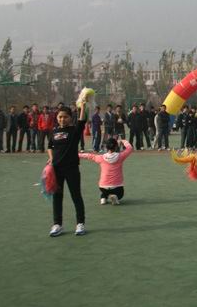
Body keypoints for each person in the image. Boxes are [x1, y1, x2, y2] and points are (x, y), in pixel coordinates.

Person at [47, 101, 87, 237]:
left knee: (76, 196)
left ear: (70, 117)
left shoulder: (74, 131)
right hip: (56, 170)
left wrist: (83, 106)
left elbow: (82, 120)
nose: (62, 119)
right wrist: (51, 158)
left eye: (65, 117)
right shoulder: (54, 131)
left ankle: (80, 223)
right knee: (57, 197)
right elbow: (50, 147)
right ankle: (57, 224)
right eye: (60, 117)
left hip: (72, 169)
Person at [79, 137, 133, 205]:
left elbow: (88, 155)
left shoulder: (101, 158)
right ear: (116, 146)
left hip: (103, 187)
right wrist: (123, 140)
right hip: (117, 187)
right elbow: (130, 148)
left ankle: (103, 199)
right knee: (120, 194)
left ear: (106, 147)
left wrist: (77, 155)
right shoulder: (121, 156)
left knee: (104, 192)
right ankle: (116, 197)